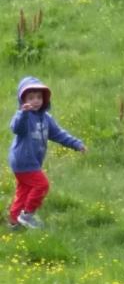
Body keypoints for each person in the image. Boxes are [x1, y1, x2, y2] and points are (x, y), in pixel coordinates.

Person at [8, 76, 86, 230]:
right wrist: (22, 114)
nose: (35, 101)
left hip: (29, 162)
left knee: (24, 190)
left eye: (39, 97)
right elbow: (16, 128)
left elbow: (58, 134)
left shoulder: (46, 118)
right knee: (42, 185)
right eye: (31, 98)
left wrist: (76, 144)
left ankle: (14, 221)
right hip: (23, 160)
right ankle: (27, 215)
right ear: (23, 100)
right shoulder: (23, 117)